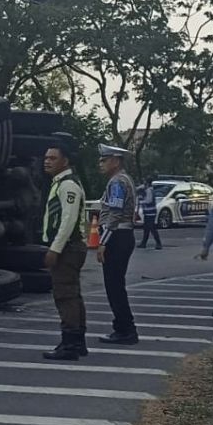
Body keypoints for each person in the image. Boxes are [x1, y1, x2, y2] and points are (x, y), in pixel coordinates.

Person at [40, 144, 89, 360]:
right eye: (46, 157)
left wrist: (55, 249)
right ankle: (77, 342)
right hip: (71, 247)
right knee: (73, 295)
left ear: (65, 161)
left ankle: (69, 345)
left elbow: (67, 221)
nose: (47, 161)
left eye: (52, 158)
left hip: (69, 248)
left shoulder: (68, 185)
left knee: (65, 296)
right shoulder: (61, 183)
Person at [96, 144, 138, 344]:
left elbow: (114, 213)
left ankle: (125, 329)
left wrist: (103, 242)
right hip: (122, 235)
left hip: (117, 236)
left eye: (104, 160)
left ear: (116, 161)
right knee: (116, 285)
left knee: (114, 286)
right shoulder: (123, 180)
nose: (101, 164)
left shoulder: (117, 182)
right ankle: (123, 327)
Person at [138, 178, 162, 250]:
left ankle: (158, 243)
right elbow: (138, 188)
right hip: (148, 212)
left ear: (147, 183)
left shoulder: (149, 190)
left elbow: (148, 201)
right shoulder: (148, 189)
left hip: (150, 212)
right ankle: (143, 243)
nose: (144, 184)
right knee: (146, 228)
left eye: (145, 182)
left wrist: (141, 201)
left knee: (152, 228)